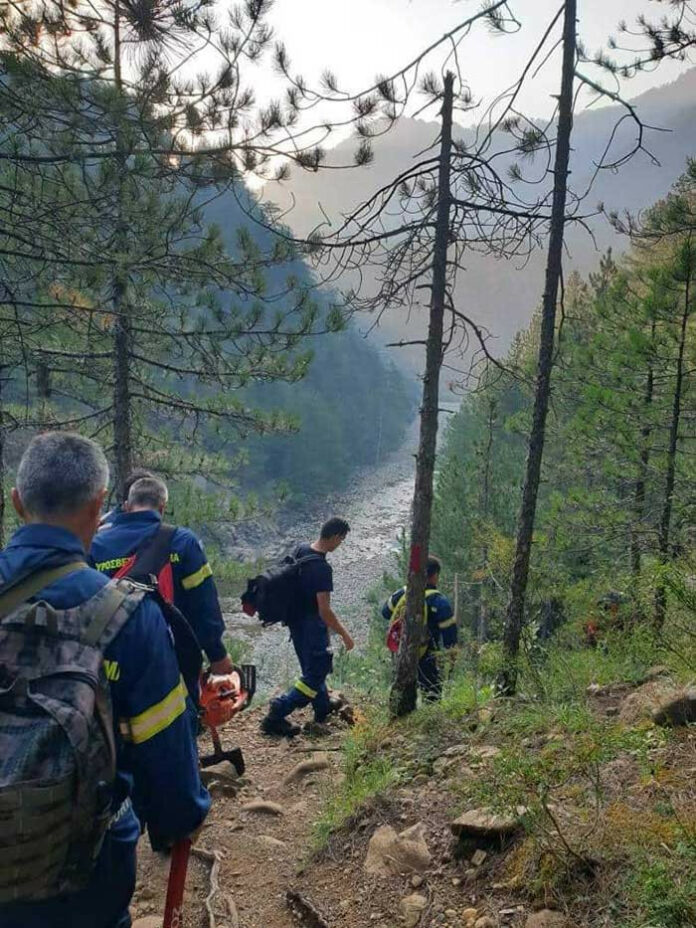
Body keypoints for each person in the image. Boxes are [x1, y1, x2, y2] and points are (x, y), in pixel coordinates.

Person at [0, 432, 209, 928]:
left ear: (16, 502)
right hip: (84, 878)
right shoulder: (128, 616)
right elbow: (165, 754)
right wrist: (183, 817)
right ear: (98, 507)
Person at [91, 474, 232, 675]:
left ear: (127, 506)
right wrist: (217, 655)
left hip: (111, 662)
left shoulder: (96, 545)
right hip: (171, 660)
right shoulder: (183, 542)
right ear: (162, 507)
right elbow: (204, 605)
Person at [261, 517, 353, 737]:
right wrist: (345, 635)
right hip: (312, 626)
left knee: (312, 668)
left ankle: (322, 707)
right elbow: (325, 610)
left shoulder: (301, 550)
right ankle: (277, 712)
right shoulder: (322, 568)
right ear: (335, 536)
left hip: (295, 623)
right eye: (341, 540)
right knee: (316, 672)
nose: (340, 544)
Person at [382, 555, 457, 700]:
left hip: (401, 652)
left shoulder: (403, 593)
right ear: (435, 575)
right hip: (427, 656)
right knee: (431, 695)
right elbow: (450, 635)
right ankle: (428, 721)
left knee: (401, 693)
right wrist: (451, 657)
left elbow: (385, 612)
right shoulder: (439, 601)